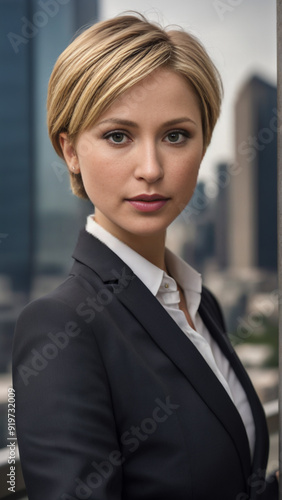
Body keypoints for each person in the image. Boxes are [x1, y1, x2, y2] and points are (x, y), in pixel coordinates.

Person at [12, 13, 278, 500]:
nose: (152, 169)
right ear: (69, 150)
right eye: (118, 136)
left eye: (176, 135)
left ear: (203, 144)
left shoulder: (201, 304)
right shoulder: (60, 327)